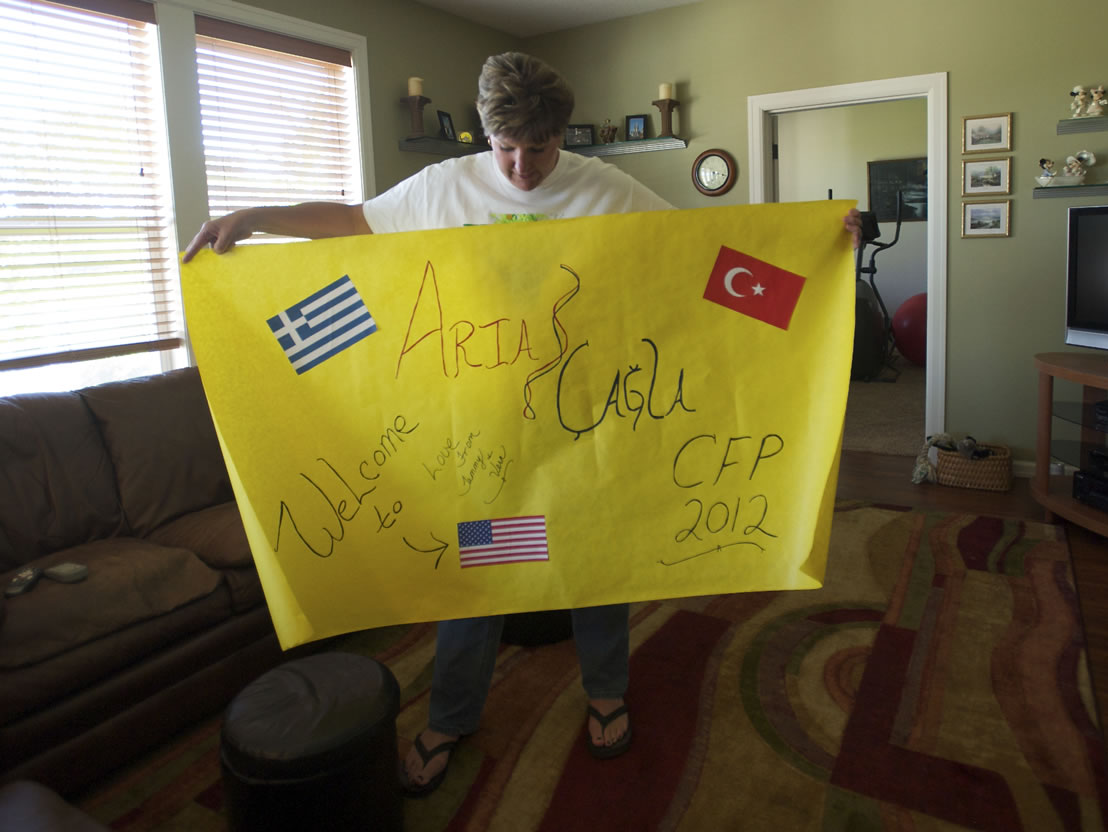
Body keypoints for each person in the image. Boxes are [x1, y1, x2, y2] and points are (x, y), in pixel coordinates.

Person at [184, 51, 862, 797]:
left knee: (596, 569)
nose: (521, 165)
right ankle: (450, 716)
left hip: (585, 435)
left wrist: (821, 250)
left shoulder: (603, 189)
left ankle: (606, 694)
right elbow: (353, 222)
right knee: (479, 584)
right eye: (505, 147)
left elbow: (700, 257)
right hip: (487, 446)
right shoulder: (444, 187)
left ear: (560, 136)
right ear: (484, 133)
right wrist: (256, 219)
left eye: (537, 148)